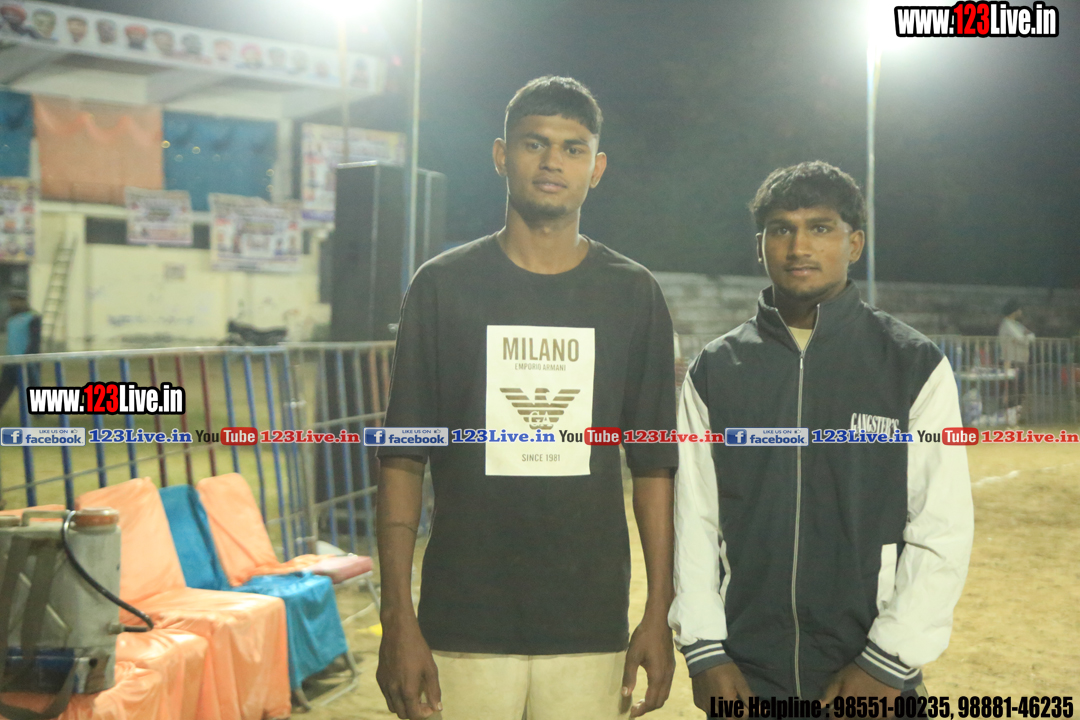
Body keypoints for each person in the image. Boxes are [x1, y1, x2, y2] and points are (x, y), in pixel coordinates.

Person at [375, 76, 679, 720]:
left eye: (573, 148)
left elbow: (654, 467)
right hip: (461, 622)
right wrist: (397, 618)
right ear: (501, 155)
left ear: (596, 168)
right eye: (534, 143)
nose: (552, 161)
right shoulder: (442, 287)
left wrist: (658, 612)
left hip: (590, 624)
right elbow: (402, 459)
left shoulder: (633, 295)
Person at [668, 161, 974, 706]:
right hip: (746, 674)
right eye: (781, 229)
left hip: (867, 671)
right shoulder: (716, 370)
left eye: (820, 227)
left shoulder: (912, 364)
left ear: (854, 243)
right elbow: (694, 518)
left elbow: (941, 525)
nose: (798, 246)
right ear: (759, 246)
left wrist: (889, 662)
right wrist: (705, 650)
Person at [0, 289, 42, 413]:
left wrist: (29, 357)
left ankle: (39, 415)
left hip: (26, 360)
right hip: (11, 359)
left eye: (15, 301)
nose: (12, 303)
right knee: (4, 388)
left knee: (32, 389)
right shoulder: (10, 318)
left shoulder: (33, 317)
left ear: (23, 301)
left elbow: (35, 340)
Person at [997, 298, 1034, 426]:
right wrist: (1025, 337)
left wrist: (1025, 338)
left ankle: (1015, 418)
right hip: (1011, 361)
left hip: (1020, 361)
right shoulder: (1007, 324)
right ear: (1014, 311)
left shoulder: (1017, 325)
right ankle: (1009, 419)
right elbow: (1022, 339)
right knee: (1012, 389)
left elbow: (1031, 337)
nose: (1020, 312)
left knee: (1020, 390)